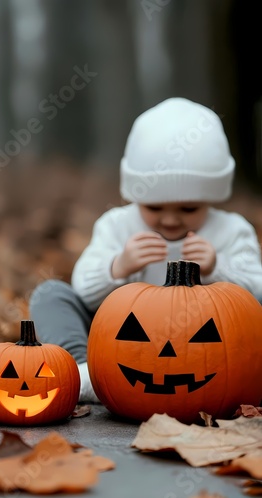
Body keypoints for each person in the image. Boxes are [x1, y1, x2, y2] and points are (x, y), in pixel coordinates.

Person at [29, 97, 262, 403]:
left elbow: (256, 295)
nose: (170, 219)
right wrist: (119, 266)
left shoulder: (230, 230)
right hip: (122, 343)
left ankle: (247, 373)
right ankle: (85, 370)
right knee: (51, 295)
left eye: (188, 208)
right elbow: (83, 291)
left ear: (211, 198)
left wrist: (217, 268)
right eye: (154, 207)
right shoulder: (117, 225)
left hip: (204, 349)